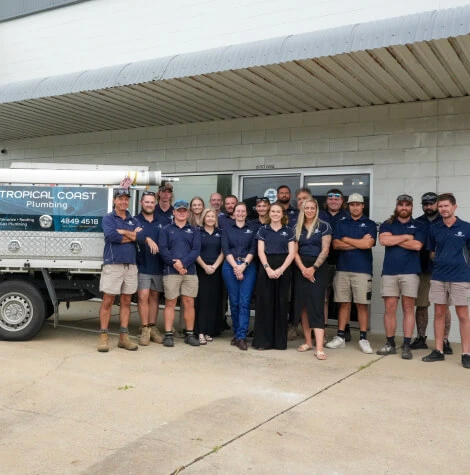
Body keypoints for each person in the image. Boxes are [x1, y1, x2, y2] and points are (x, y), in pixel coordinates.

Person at [422, 193, 470, 369]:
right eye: (440, 206)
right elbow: (432, 253)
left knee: (463, 316)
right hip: (439, 277)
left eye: (446, 206)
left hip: (460, 278)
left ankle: (466, 353)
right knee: (439, 314)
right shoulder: (434, 228)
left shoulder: (466, 228)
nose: (443, 209)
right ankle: (438, 350)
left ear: (454, 207)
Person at [326, 193, 377, 353]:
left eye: (358, 204)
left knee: (362, 304)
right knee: (343, 303)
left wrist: (347, 239)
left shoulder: (369, 224)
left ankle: (363, 338)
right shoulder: (341, 223)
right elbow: (335, 244)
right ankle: (340, 336)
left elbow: (368, 243)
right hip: (342, 269)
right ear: (348, 206)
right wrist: (359, 243)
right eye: (352, 204)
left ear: (363, 206)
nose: (355, 207)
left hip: (362, 270)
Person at [377, 194, 426, 359]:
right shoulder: (387, 223)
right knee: (389, 309)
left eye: (407, 205)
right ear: (396, 206)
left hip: (410, 273)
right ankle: (390, 343)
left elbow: (417, 245)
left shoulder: (419, 225)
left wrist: (394, 239)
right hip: (389, 272)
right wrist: (406, 237)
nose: (404, 207)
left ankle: (406, 344)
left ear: (412, 207)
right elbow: (384, 241)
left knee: (408, 309)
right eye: (401, 205)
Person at [97, 188, 143, 352]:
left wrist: (123, 231)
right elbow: (111, 236)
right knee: (108, 301)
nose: (124, 201)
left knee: (126, 301)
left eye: (126, 199)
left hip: (130, 266)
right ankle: (104, 337)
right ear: (115, 200)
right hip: (113, 264)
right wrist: (130, 236)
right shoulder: (108, 218)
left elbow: (140, 238)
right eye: (120, 199)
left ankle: (123, 337)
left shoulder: (133, 219)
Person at [412, 192, 453, 354]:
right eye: (425, 204)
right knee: (421, 305)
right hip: (422, 269)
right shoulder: (417, 222)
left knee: (443, 307)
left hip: (443, 271)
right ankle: (421, 338)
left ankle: (444, 340)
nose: (428, 206)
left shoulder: (446, 221)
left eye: (431, 203)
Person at [157, 200, 201, 348]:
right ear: (173, 212)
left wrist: (183, 264)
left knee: (189, 302)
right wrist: (175, 263)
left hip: (190, 272)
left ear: (188, 213)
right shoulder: (165, 229)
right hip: (171, 271)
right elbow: (163, 249)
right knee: (170, 302)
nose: (182, 213)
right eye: (179, 210)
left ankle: (189, 333)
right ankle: (168, 334)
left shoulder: (194, 230)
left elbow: (196, 250)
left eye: (184, 210)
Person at [253, 203, 295, 350]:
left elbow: (292, 253)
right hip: (266, 268)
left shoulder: (289, 230)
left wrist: (282, 269)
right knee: (265, 304)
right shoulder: (263, 229)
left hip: (283, 268)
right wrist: (268, 269)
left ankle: (279, 342)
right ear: (269, 213)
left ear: (282, 214)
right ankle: (263, 341)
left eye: (278, 211)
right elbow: (260, 251)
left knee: (281, 304)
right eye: (273, 211)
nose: (275, 214)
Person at [293, 198, 332, 360]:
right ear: (302, 210)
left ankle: (320, 348)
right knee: (303, 305)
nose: (309, 210)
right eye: (306, 208)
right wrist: (303, 269)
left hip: (318, 268)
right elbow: (294, 251)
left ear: (316, 209)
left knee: (316, 305)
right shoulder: (297, 227)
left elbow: (325, 250)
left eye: (312, 208)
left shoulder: (324, 226)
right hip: (301, 268)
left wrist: (313, 268)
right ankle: (308, 342)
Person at [221, 202, 257, 350]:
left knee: (244, 301)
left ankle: (241, 336)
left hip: (248, 267)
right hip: (230, 266)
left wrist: (243, 266)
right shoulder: (227, 229)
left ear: (246, 213)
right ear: (234, 213)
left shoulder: (252, 229)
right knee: (234, 302)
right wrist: (236, 267)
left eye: (243, 211)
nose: (240, 213)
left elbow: (253, 249)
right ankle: (236, 333)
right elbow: (225, 248)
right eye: (238, 211)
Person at [134, 191, 165, 346]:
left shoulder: (162, 221)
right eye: (147, 202)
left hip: (158, 265)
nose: (149, 204)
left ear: (155, 203)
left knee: (154, 296)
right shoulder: (135, 220)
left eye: (152, 202)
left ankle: (152, 327)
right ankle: (145, 328)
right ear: (141, 203)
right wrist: (146, 239)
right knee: (143, 296)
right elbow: (131, 236)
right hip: (141, 265)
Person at [319, 189, 350, 338]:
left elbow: (348, 239)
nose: (333, 201)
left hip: (344, 261)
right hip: (323, 262)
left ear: (342, 201)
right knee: (325, 297)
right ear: (327, 201)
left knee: (343, 297)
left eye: (337, 199)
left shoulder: (348, 216)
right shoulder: (320, 216)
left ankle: (345, 329)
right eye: (330, 199)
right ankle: (322, 329)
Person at [195, 208, 224, 344]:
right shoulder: (197, 232)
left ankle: (208, 331)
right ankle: (200, 331)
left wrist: (214, 266)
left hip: (215, 270)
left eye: (213, 216)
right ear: (203, 218)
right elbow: (195, 251)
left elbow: (223, 251)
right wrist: (205, 266)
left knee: (213, 301)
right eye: (208, 216)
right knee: (202, 301)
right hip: (201, 270)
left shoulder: (221, 233)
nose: (211, 218)